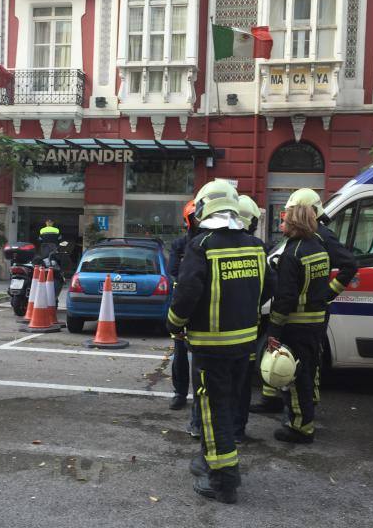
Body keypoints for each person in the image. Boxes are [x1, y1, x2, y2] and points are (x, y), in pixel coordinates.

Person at [166, 180, 268, 504]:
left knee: (212, 411)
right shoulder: (255, 245)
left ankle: (223, 481)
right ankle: (210, 460)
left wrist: (173, 323)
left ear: (205, 208)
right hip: (244, 344)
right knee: (226, 407)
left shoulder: (202, 245)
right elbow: (267, 290)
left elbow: (186, 294)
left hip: (211, 347)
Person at [250, 187, 358, 413]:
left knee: (304, 362)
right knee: (284, 354)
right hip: (299, 308)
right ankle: (273, 399)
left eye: (291, 213)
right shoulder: (305, 237)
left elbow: (349, 264)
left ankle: (305, 406)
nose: (286, 219)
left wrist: (327, 294)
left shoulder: (321, 235)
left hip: (304, 311)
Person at [266, 204, 331, 444]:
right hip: (316, 324)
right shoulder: (319, 248)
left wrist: (274, 329)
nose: (282, 225)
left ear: (294, 224)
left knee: (294, 377)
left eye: (285, 221)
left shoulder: (292, 254)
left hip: (296, 326)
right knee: (309, 374)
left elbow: (285, 299)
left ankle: (301, 427)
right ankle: (306, 420)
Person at [234, 195, 262, 442]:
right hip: (248, 332)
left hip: (214, 336)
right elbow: (270, 286)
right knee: (243, 385)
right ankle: (238, 430)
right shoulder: (258, 247)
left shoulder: (209, 243)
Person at [167, 200, 197, 412]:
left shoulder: (210, 242)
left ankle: (199, 393)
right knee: (180, 352)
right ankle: (180, 392)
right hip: (182, 302)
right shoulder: (179, 244)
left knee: (202, 354)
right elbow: (173, 270)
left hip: (202, 303)